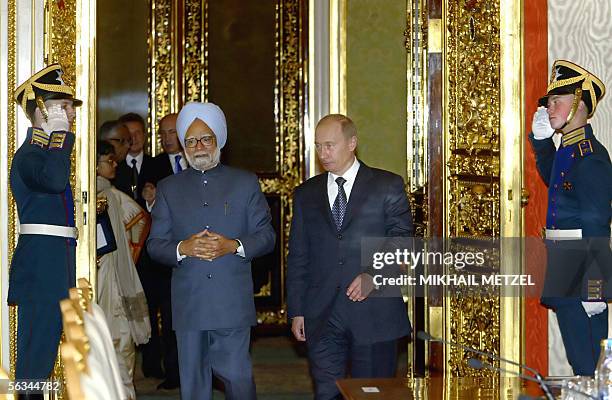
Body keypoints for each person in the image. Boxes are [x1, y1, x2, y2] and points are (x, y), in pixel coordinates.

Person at [147, 102, 275, 400]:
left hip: (230, 300)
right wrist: (183, 247)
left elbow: (266, 237)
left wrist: (233, 245)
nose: (199, 146)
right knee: (193, 386)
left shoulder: (244, 183)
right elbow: (155, 245)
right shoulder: (168, 188)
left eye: (206, 138)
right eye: (190, 141)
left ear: (218, 140)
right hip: (189, 302)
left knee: (238, 378)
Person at [287, 114, 413, 399]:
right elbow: (298, 255)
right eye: (318, 146)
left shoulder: (387, 185)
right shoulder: (306, 194)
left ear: (352, 143)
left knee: (371, 394)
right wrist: (296, 309)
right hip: (322, 313)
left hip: (373, 313)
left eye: (330, 145)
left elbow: (402, 240)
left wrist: (374, 274)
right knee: (327, 392)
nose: (323, 153)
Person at [530, 60, 612, 375]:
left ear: (579, 103)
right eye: (549, 102)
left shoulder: (591, 159)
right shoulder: (570, 151)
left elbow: (596, 225)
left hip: (581, 269)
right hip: (565, 263)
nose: (549, 108)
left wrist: (595, 288)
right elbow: (555, 178)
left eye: (557, 102)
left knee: (590, 364)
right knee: (580, 362)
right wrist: (541, 142)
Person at [9, 63, 82, 386]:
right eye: (63, 107)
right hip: (41, 268)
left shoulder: (47, 152)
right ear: (42, 110)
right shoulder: (30, 155)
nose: (71, 114)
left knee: (43, 355)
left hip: (53, 264)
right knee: (34, 360)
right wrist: (59, 138)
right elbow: (53, 181)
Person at [96, 140, 151, 398]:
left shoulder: (110, 194)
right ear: (94, 166)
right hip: (107, 274)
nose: (114, 164)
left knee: (115, 341)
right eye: (108, 161)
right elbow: (139, 221)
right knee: (118, 341)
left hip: (109, 270)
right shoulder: (107, 195)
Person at [138, 113, 184, 389]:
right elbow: (144, 209)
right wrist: (150, 200)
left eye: (172, 132)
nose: (167, 139)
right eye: (163, 133)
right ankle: (174, 372)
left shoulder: (197, 160)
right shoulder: (152, 166)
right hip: (166, 255)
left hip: (200, 251)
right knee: (168, 318)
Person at [116, 112, 154, 204]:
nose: (134, 138)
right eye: (129, 134)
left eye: (138, 133)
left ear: (145, 136)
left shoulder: (158, 165)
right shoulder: (114, 167)